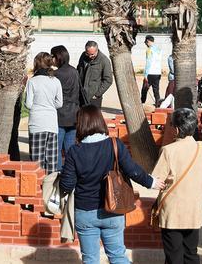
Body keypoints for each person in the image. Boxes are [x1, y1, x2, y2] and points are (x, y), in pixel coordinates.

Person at [60, 105, 158, 264]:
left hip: (85, 212)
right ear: (100, 122)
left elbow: (67, 185)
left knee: (90, 259)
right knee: (118, 256)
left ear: (81, 125)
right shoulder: (114, 145)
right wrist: (151, 182)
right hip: (113, 209)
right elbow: (132, 170)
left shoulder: (74, 151)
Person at [152, 108, 202, 264]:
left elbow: (157, 181)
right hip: (193, 209)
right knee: (191, 253)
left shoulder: (168, 151)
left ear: (177, 129)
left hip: (173, 212)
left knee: (174, 256)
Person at [25, 52, 63, 173]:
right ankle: (50, 189)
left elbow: (28, 104)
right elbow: (59, 103)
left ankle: (38, 188)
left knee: (36, 162)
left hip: (37, 123)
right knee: (51, 161)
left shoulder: (32, 81)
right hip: (51, 122)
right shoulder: (56, 81)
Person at [77, 41, 114, 108]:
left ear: (97, 50)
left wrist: (97, 94)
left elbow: (108, 80)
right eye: (87, 54)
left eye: (92, 54)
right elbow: (79, 71)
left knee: (93, 118)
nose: (90, 56)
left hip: (94, 98)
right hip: (81, 95)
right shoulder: (83, 56)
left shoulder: (104, 61)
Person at [141, 36, 164, 104]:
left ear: (148, 41)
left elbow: (149, 62)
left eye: (146, 42)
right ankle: (158, 104)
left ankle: (142, 103)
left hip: (150, 72)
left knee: (144, 90)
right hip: (157, 72)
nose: (145, 43)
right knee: (156, 90)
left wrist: (145, 74)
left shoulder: (149, 50)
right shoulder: (159, 49)